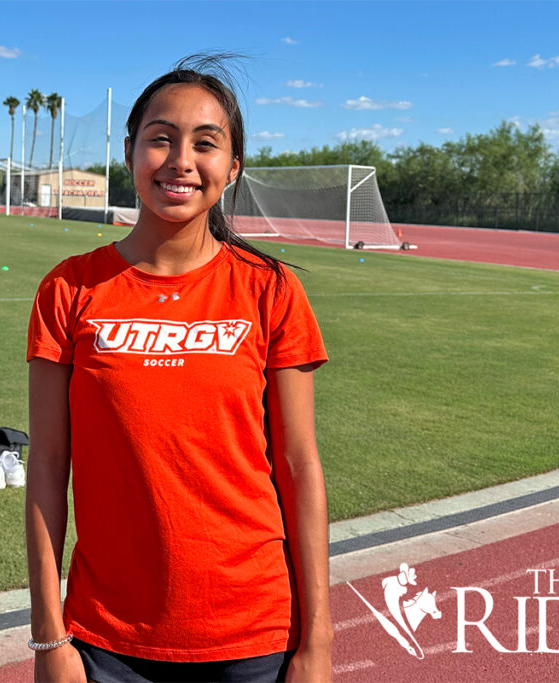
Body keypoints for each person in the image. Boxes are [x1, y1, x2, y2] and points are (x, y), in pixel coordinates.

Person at [25, 55, 332, 683]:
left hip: (253, 634)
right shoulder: (69, 289)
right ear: (132, 151)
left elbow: (299, 467)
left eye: (205, 143)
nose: (180, 160)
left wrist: (317, 642)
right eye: (160, 138)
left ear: (233, 167)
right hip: (107, 639)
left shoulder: (269, 290)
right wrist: (47, 639)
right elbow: (50, 466)